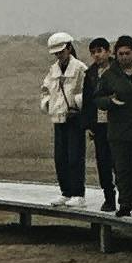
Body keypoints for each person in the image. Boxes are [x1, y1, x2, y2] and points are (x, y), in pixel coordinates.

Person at [85, 34, 132, 219]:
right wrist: (110, 101)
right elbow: (97, 98)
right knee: (122, 170)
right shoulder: (110, 75)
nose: (124, 57)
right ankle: (124, 204)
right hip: (118, 131)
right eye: (120, 54)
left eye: (127, 53)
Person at [39, 33, 88, 201]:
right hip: (58, 117)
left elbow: (87, 90)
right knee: (60, 158)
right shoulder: (53, 69)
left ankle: (78, 194)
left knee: (75, 157)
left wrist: (77, 103)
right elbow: (45, 89)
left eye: (61, 51)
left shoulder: (80, 68)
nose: (59, 55)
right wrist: (47, 104)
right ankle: (65, 192)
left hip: (74, 118)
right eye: (56, 53)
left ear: (69, 48)